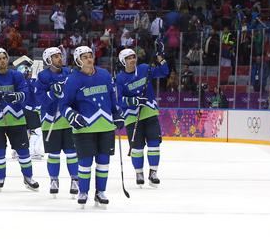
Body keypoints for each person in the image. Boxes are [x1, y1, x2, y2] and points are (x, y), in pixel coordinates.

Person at [58, 46, 124, 208]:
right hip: (84, 129)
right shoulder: (73, 79)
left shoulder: (104, 74)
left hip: (106, 127)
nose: (89, 59)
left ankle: (100, 192)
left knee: (103, 162)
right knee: (85, 163)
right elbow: (64, 105)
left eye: (90, 56)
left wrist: (117, 114)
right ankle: (83, 191)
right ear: (78, 61)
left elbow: (112, 97)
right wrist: (72, 115)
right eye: (85, 57)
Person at [0, 48, 39, 191]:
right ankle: (0, 178)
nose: (2, 61)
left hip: (17, 118)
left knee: (23, 151)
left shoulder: (16, 75)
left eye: (4, 58)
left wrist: (18, 96)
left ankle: (28, 177)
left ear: (7, 59)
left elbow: (24, 91)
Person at [115, 49, 169, 188]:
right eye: (128, 58)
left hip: (149, 112)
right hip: (132, 118)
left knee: (154, 144)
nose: (132, 59)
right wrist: (133, 101)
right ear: (123, 61)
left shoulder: (144, 69)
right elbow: (118, 99)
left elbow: (164, 72)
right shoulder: (120, 78)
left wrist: (160, 59)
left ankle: (153, 172)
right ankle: (139, 173)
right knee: (137, 148)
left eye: (133, 57)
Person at [34, 47, 78, 198]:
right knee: (54, 154)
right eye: (55, 56)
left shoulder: (69, 73)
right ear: (48, 60)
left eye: (60, 55)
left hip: (68, 119)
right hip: (50, 119)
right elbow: (39, 98)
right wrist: (53, 93)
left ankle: (75, 179)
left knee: (72, 153)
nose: (60, 58)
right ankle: (54, 180)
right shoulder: (43, 76)